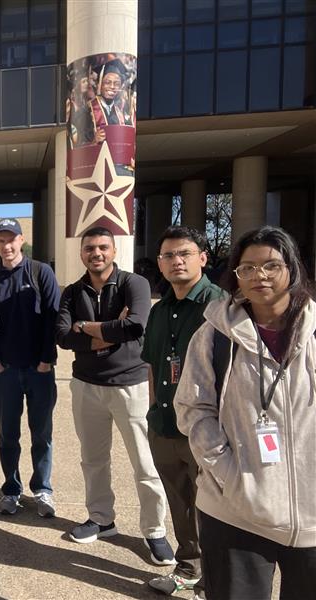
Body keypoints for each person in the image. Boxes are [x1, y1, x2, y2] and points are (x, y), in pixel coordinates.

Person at [176, 226, 316, 600]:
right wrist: (229, 475)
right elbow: (193, 410)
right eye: (247, 268)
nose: (259, 276)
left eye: (271, 265)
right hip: (234, 513)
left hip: (312, 520)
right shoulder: (214, 335)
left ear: (292, 269)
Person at [56, 226, 174, 565]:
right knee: (93, 459)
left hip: (130, 386)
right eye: (90, 248)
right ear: (82, 253)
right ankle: (101, 519)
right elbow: (63, 336)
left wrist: (86, 327)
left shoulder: (134, 284)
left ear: (113, 251)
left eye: (103, 247)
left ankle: (154, 530)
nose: (96, 253)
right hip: (86, 386)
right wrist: (112, 331)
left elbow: (135, 326)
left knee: (145, 463)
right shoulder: (72, 292)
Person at [142, 227, 225, 596]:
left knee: (216, 507)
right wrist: (152, 411)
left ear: (202, 258)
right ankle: (189, 566)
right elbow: (153, 364)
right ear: (160, 264)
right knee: (180, 502)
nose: (176, 261)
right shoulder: (159, 311)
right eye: (168, 255)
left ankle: (217, 578)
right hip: (164, 426)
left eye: (185, 253)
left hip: (206, 429)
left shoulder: (220, 307)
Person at [0, 218, 61, 517]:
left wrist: (46, 359)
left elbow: (53, 317)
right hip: (7, 372)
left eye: (11, 239)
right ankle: (11, 490)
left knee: (42, 434)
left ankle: (42, 489)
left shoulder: (41, 272)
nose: (7, 245)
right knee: (8, 435)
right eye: (1, 240)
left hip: (40, 369)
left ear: (21, 240)